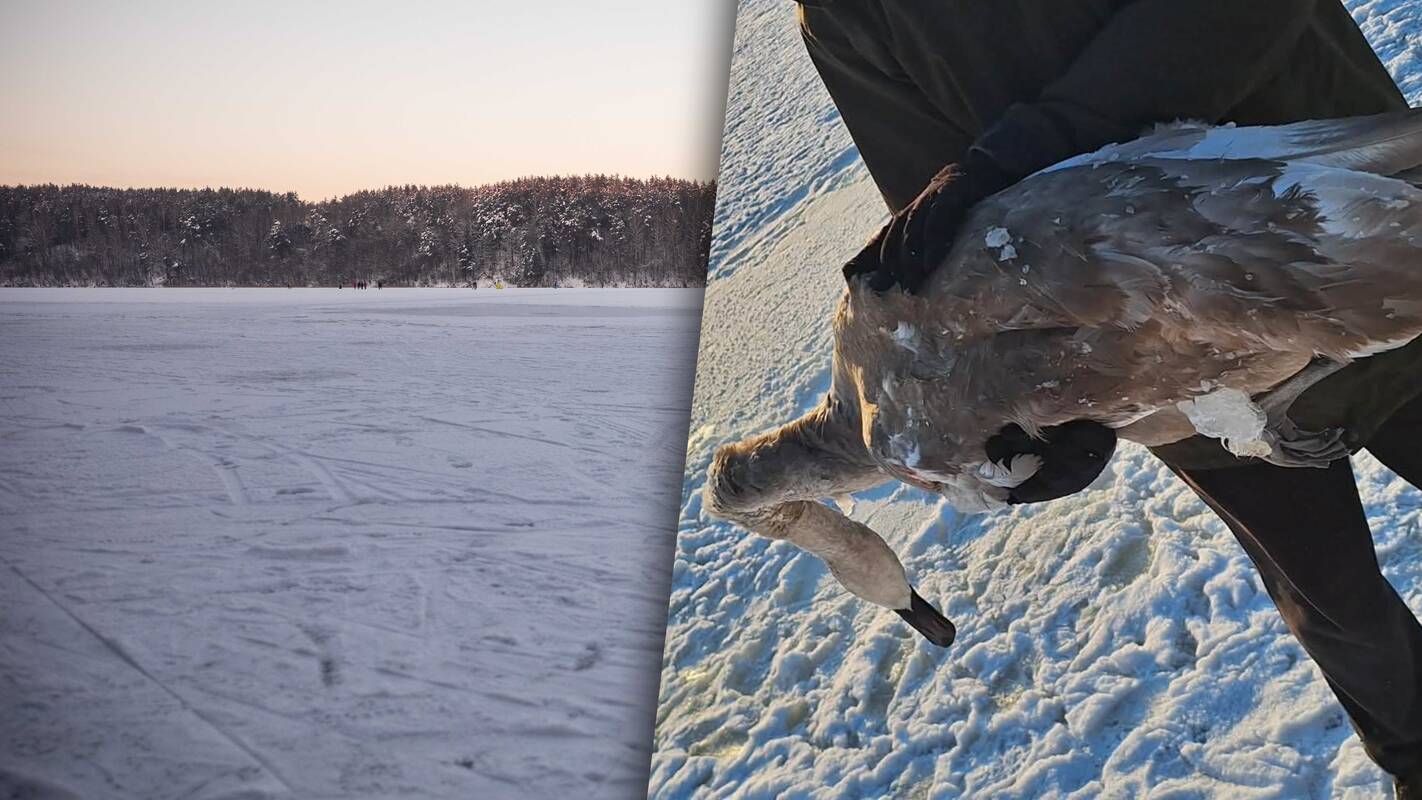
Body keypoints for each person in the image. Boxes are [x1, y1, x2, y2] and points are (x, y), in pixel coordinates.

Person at [792, 0, 1422, 793]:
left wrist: (1029, 145)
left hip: (1358, 233)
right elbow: (947, 228)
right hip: (1167, 360)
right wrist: (1037, 408)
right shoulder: (842, 12)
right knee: (1336, 600)